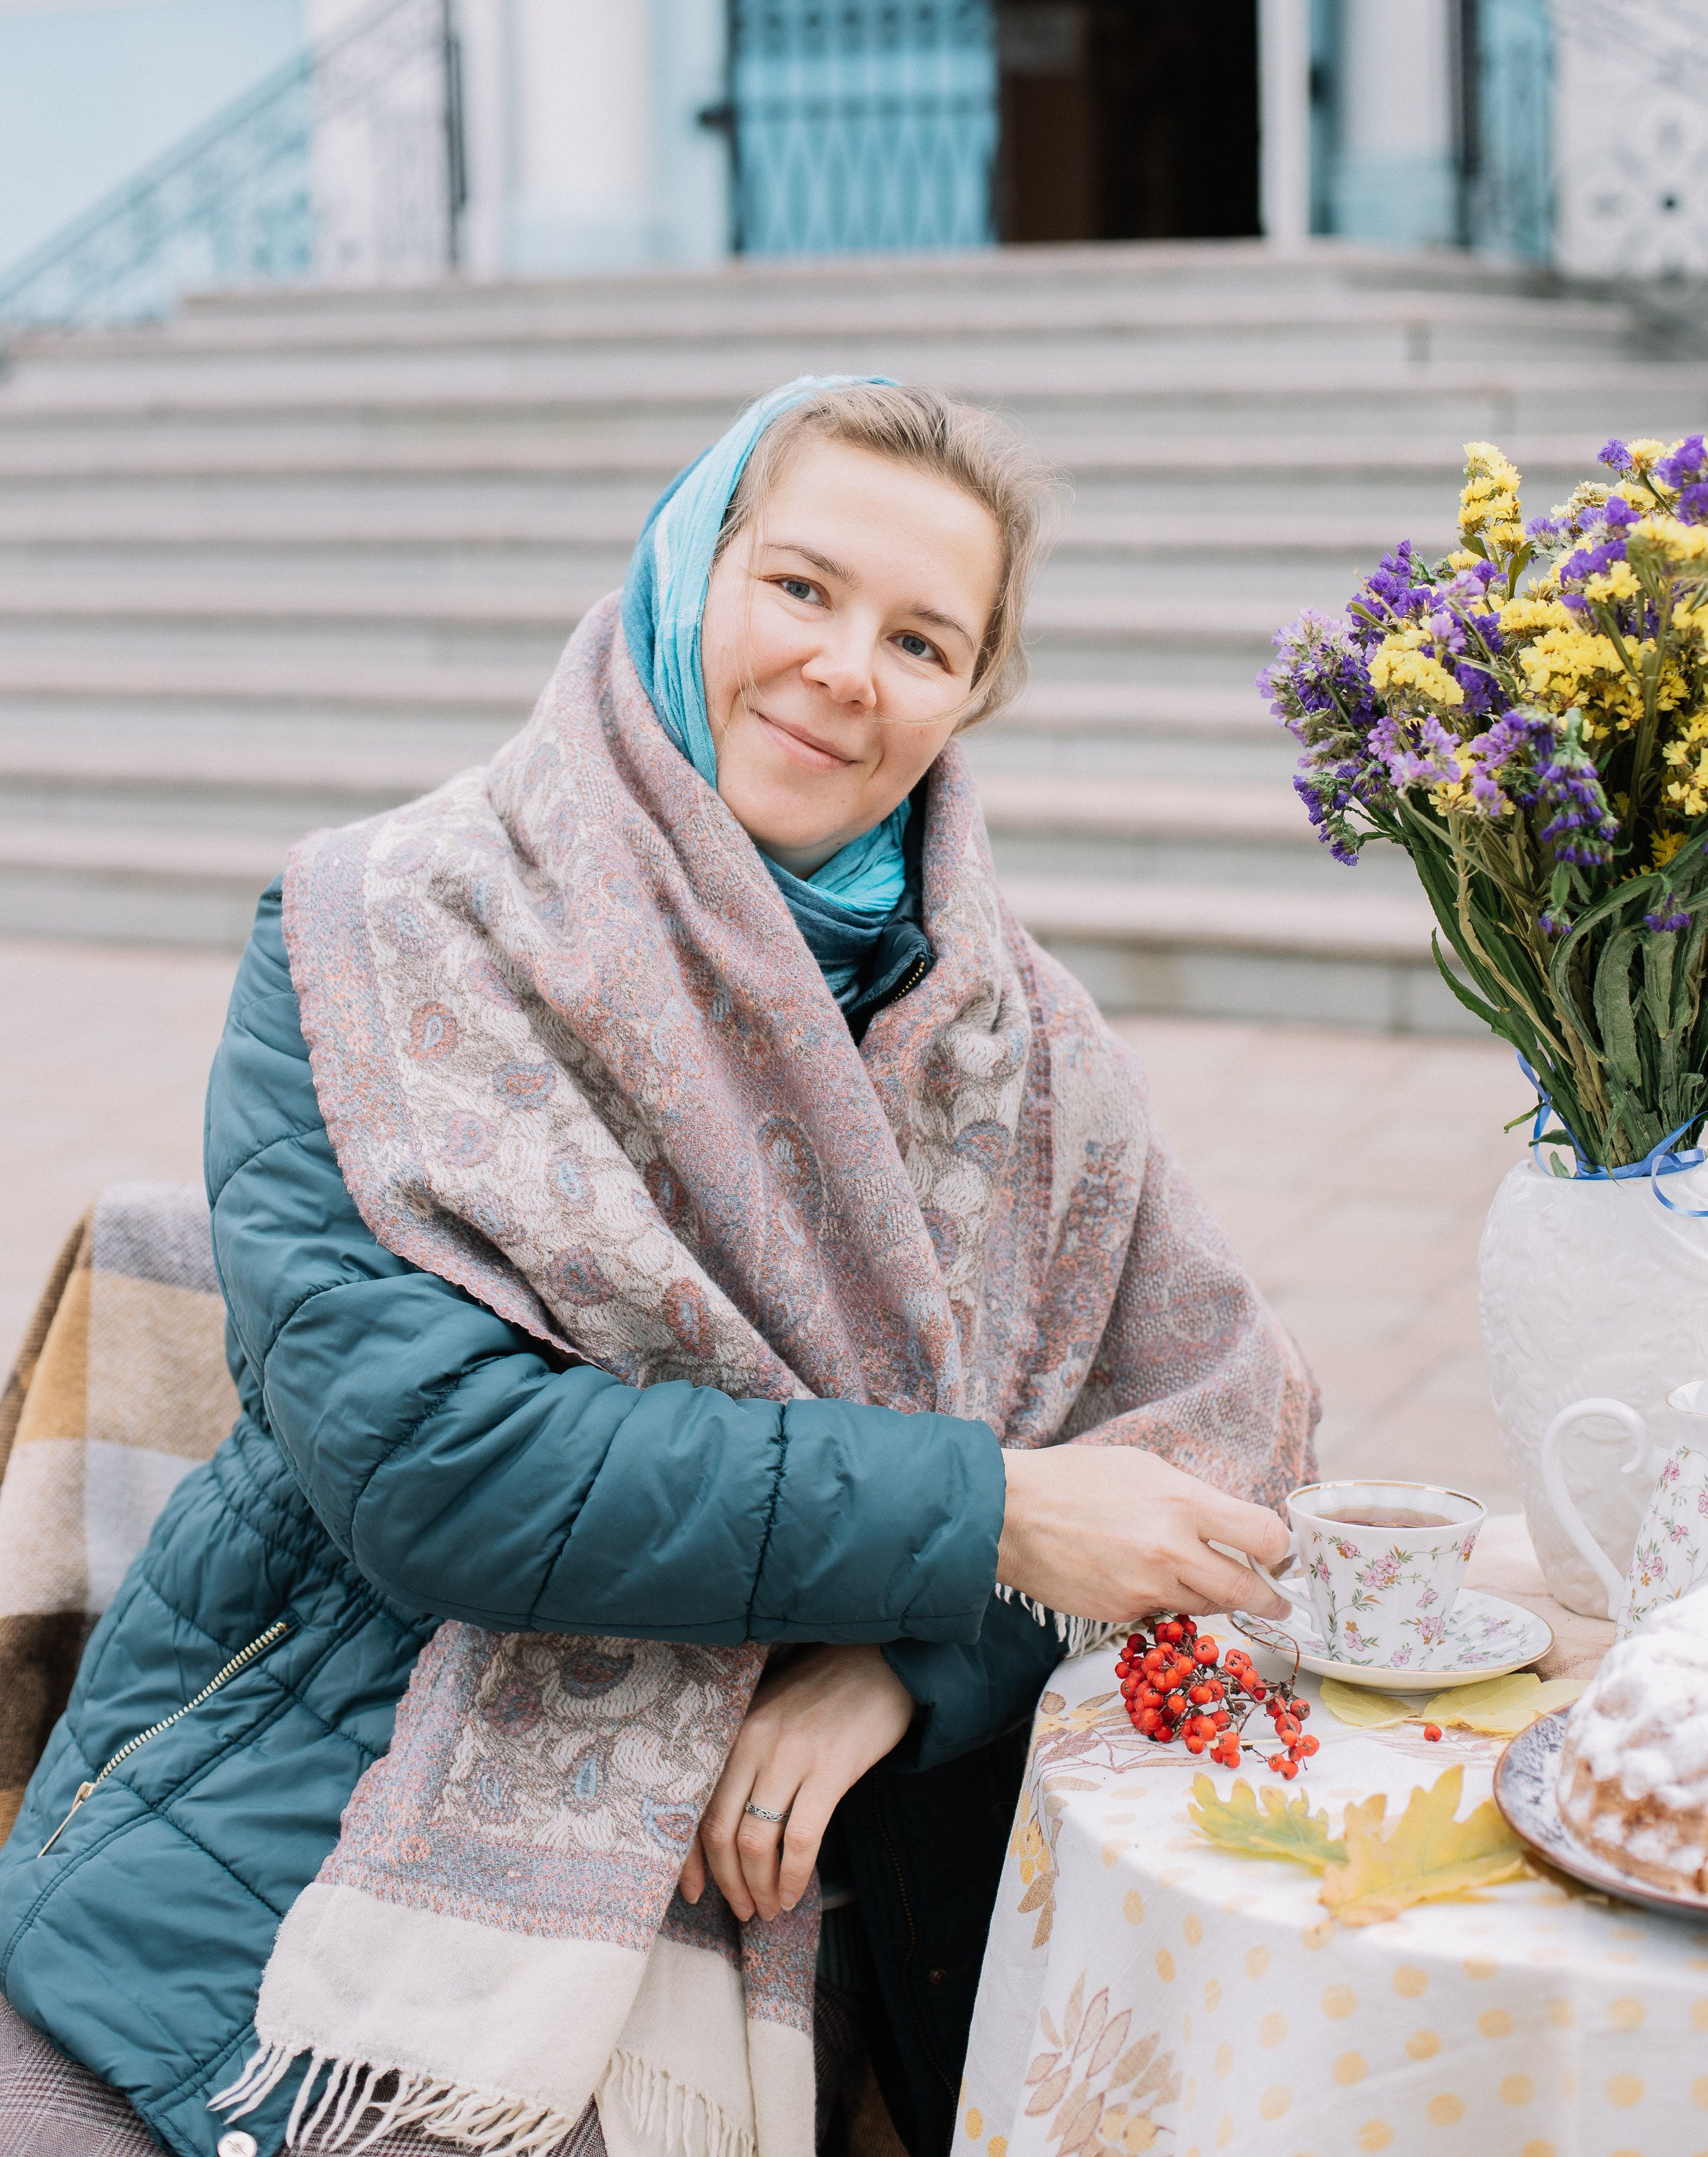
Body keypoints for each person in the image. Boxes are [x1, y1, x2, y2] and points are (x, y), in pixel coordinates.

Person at [0, 379, 1317, 2157]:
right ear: (687, 568)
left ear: (972, 698)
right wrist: (983, 1515)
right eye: (800, 588)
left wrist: (912, 1665)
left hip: (830, 1875)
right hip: (335, 1784)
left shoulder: (1030, 1047)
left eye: (922, 638)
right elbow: (439, 1468)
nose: (847, 667)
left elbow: (1223, 1440)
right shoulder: (387, 928)